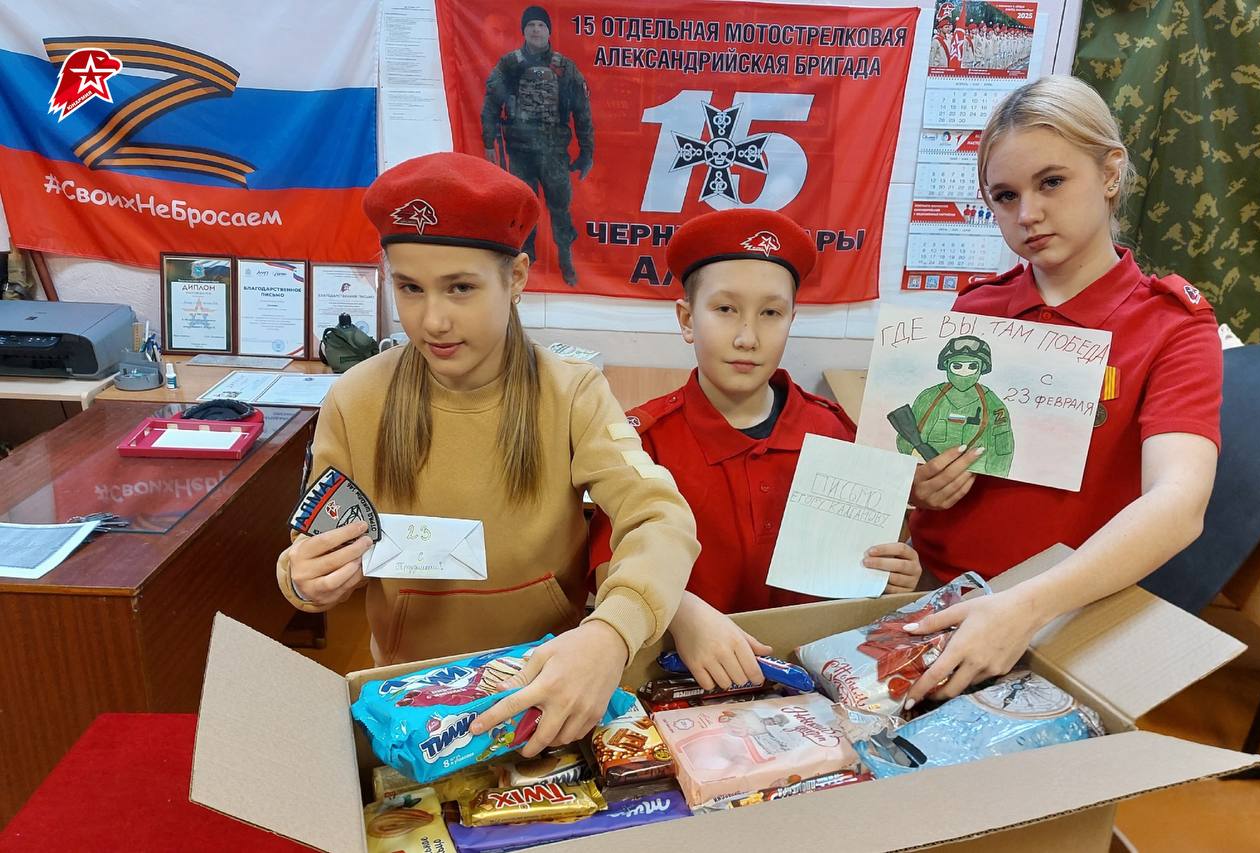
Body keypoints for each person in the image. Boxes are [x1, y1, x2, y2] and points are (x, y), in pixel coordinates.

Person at [277, 152, 698, 756]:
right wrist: (301, 580)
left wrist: (612, 632)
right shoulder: (355, 399)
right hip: (409, 697)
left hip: (544, 684)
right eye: (410, 288)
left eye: (461, 288)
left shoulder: (572, 393)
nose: (434, 320)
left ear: (516, 278)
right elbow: (313, 542)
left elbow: (659, 516)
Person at [903, 75, 1222, 708]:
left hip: (1069, 617)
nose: (1027, 214)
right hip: (939, 597)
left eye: (1051, 182)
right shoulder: (977, 310)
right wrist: (920, 484)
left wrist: (1028, 606)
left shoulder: (1171, 327)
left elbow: (1179, 501)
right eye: (1005, 195)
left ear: (1110, 173)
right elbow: (922, 457)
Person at [588, 208, 923, 692]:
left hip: (812, 682)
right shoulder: (644, 440)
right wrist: (681, 611)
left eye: (770, 313)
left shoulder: (833, 432)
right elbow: (608, 566)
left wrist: (895, 573)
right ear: (687, 319)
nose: (748, 338)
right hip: (681, 677)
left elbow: (876, 557)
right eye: (725, 310)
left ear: (791, 319)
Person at [481, 5, 593, 286]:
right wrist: (488, 141)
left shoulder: (565, 67)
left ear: (548, 31)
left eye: (540, 25)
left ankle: (566, 260)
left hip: (554, 153)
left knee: (560, 208)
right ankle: (525, 261)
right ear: (523, 30)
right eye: (530, 25)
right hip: (520, 152)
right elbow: (491, 102)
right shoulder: (510, 64)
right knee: (523, 209)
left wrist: (586, 152)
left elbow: (582, 111)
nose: (535, 30)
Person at [896, 335, 1014, 477]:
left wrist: (990, 481)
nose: (964, 372)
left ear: (982, 367)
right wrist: (913, 454)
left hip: (974, 477)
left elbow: (1002, 452)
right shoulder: (928, 398)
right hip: (928, 473)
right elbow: (905, 434)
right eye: (957, 366)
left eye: (972, 366)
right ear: (947, 365)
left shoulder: (993, 404)